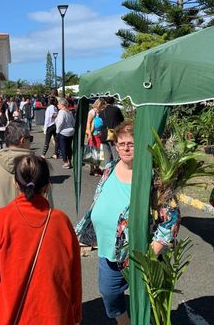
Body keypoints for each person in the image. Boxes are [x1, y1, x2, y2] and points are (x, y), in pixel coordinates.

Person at [75, 121, 180, 325]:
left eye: (131, 144)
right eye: (121, 143)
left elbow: (171, 217)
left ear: (140, 146)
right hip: (108, 250)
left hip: (142, 253)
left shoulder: (153, 177)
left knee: (149, 300)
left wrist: (152, 251)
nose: (125, 148)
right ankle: (123, 321)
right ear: (115, 145)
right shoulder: (109, 169)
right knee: (109, 292)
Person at [0, 155, 82, 324]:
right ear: (47, 186)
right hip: (53, 315)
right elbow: (73, 276)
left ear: (16, 183)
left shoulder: (1, 220)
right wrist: (76, 315)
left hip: (8, 316)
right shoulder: (61, 222)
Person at [0, 121, 55, 225]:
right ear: (23, 140)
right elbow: (47, 207)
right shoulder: (38, 167)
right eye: (30, 139)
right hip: (31, 232)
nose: (31, 142)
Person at [99, 96, 124, 166]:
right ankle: (115, 173)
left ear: (105, 101)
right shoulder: (116, 109)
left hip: (104, 135)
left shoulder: (101, 112)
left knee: (107, 159)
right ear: (113, 101)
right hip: (113, 134)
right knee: (116, 157)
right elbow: (122, 120)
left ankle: (107, 174)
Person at [86, 98, 107, 176]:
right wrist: (89, 134)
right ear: (99, 104)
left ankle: (97, 168)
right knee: (93, 152)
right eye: (102, 105)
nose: (103, 106)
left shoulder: (100, 112)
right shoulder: (92, 112)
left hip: (99, 134)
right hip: (93, 134)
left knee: (99, 152)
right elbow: (88, 123)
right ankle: (92, 169)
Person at [56, 98, 75, 169]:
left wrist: (57, 131)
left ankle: (65, 162)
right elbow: (73, 122)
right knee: (69, 147)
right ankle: (70, 161)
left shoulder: (61, 112)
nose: (57, 105)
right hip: (70, 132)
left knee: (63, 147)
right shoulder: (69, 112)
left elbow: (60, 122)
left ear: (62, 104)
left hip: (63, 132)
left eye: (58, 104)